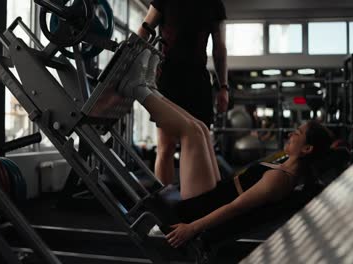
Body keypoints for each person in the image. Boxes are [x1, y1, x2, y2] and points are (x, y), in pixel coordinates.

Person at [117, 49, 334, 248]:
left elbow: (236, 208)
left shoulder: (281, 178)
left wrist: (191, 228)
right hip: (218, 191)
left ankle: (136, 89)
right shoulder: (283, 168)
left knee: (191, 133)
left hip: (205, 207)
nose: (291, 134)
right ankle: (148, 87)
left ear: (306, 149)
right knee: (200, 128)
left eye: (298, 133)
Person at [137, 0, 229, 186]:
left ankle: (197, 202)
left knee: (199, 142)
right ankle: (164, 203)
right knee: (166, 146)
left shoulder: (214, 4)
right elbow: (144, 30)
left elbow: (219, 48)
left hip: (198, 79)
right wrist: (130, 61)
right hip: (169, 77)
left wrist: (224, 87)